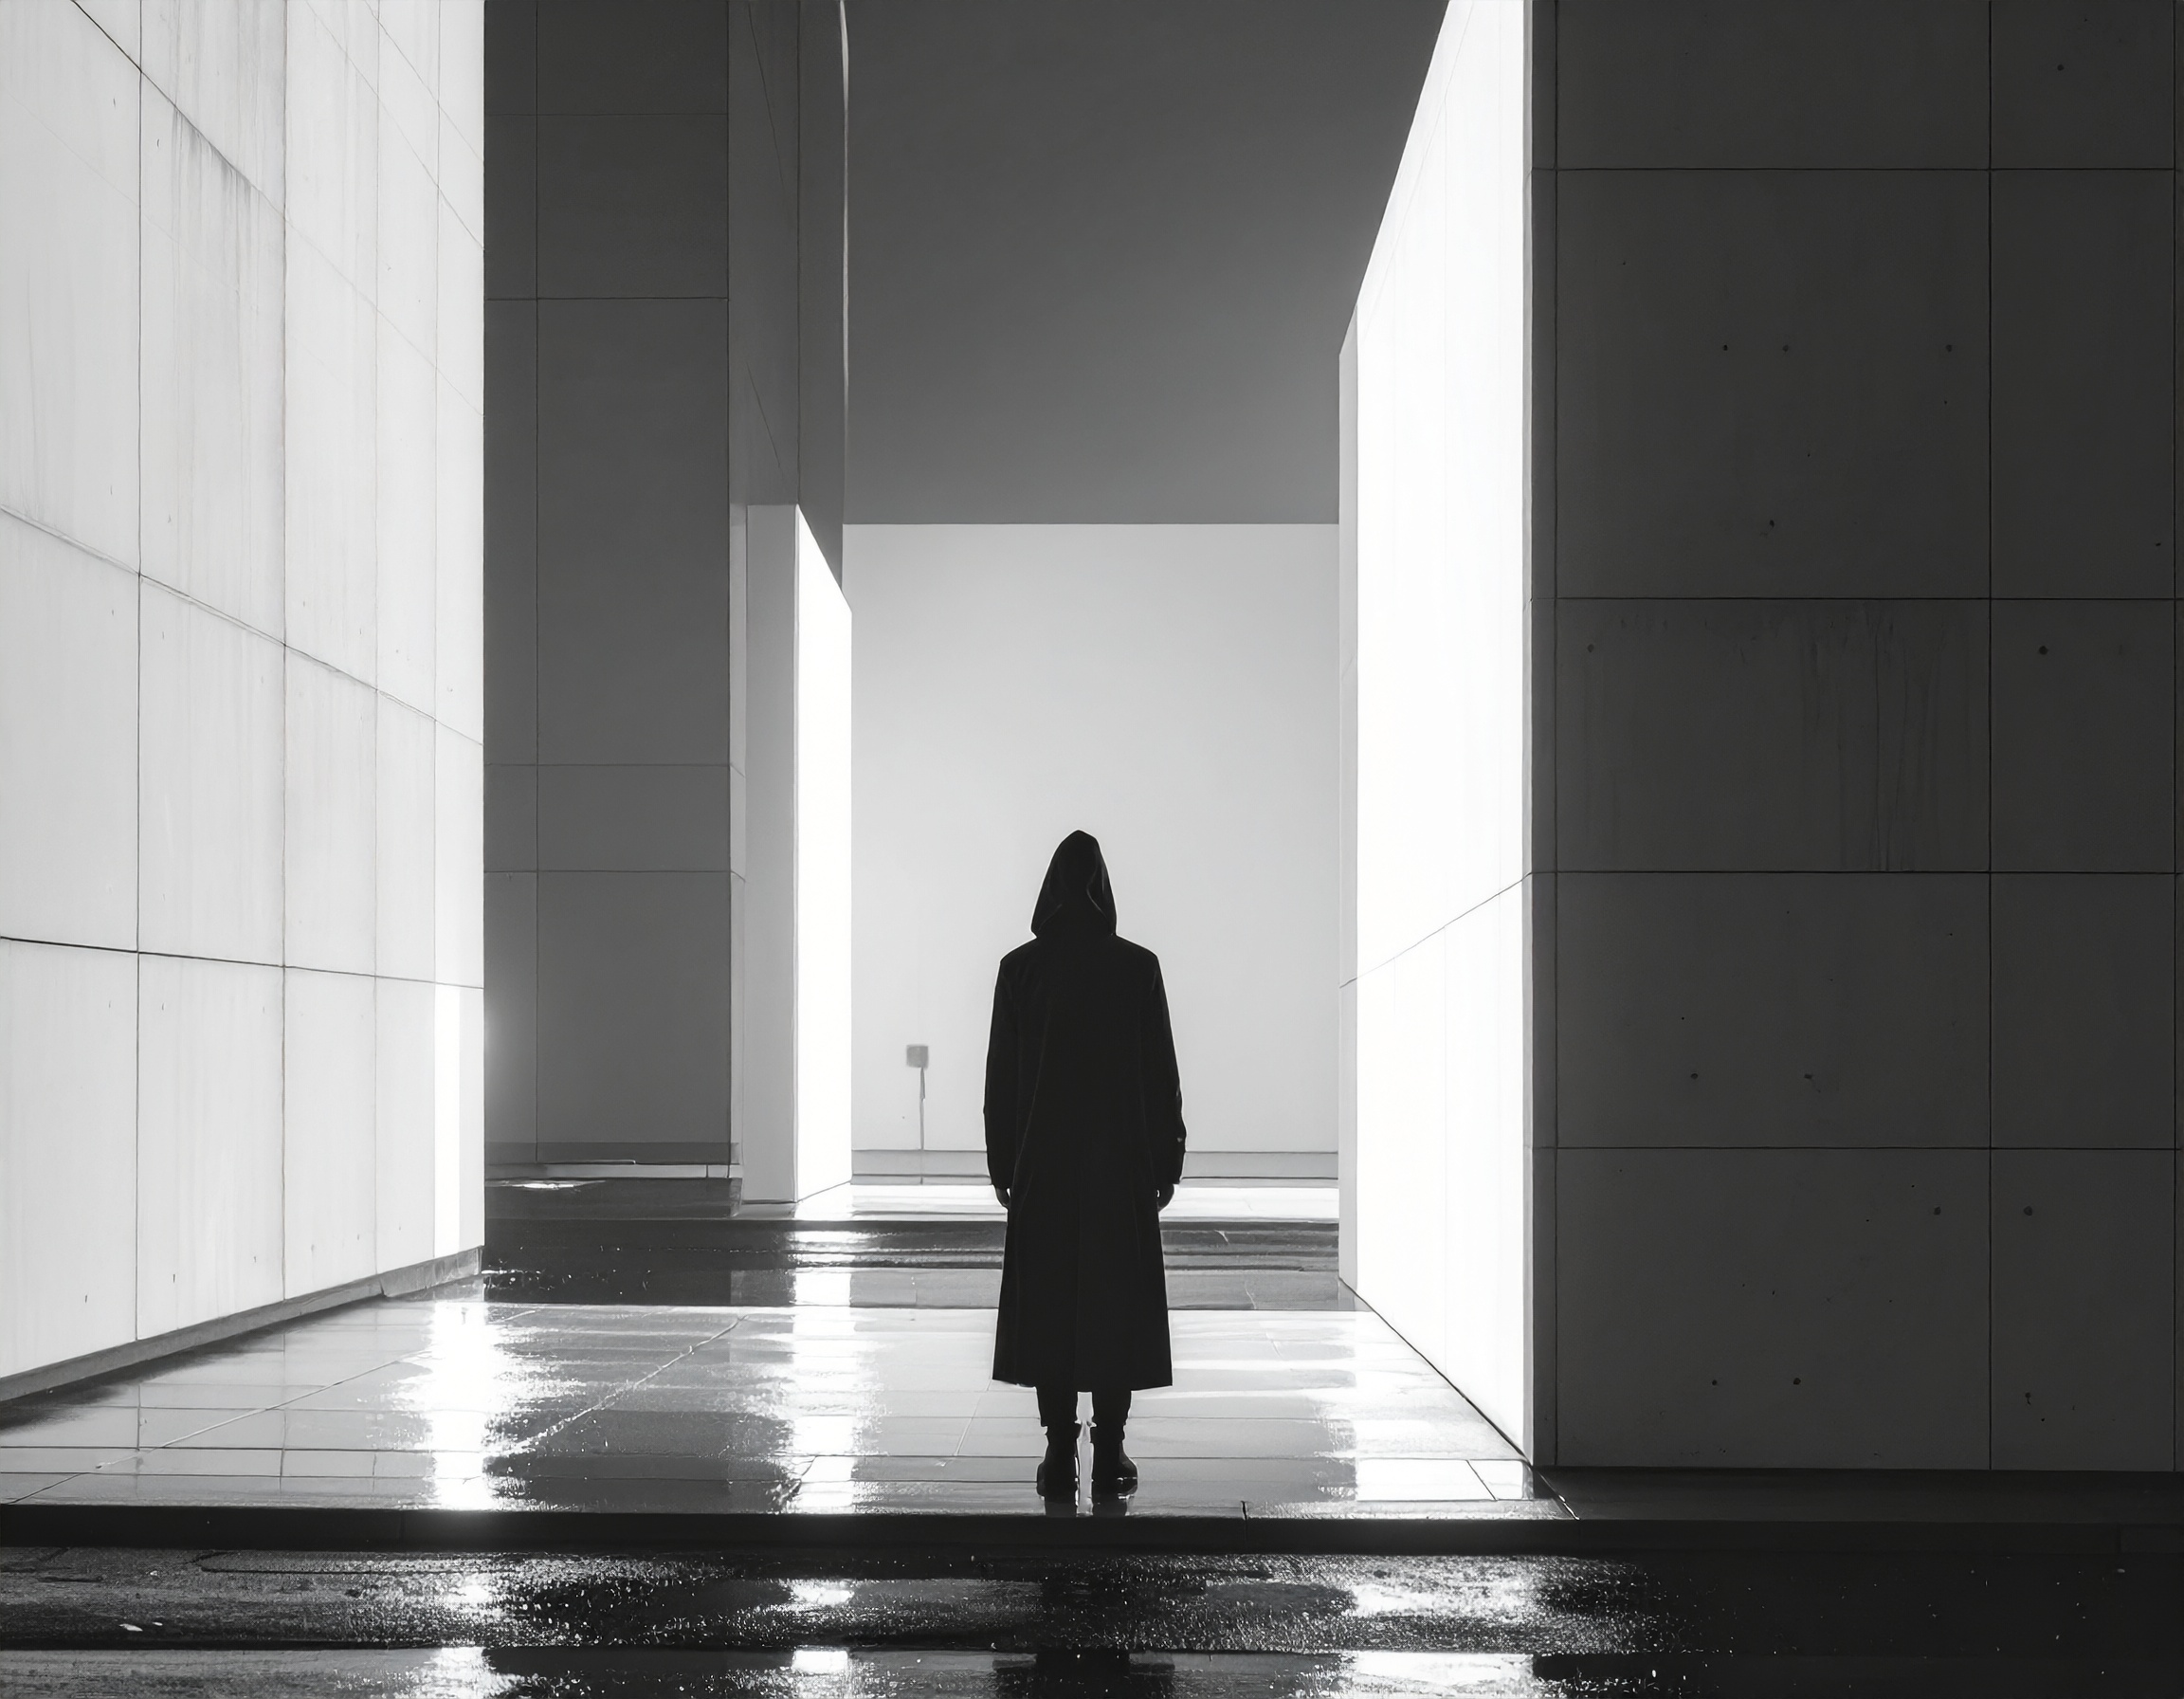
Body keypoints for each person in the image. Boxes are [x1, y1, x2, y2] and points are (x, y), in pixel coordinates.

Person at [984, 831, 1187, 1501]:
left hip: (1044, 1163)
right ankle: (1113, 1446)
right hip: (1118, 1163)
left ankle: (1055, 1450)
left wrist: (1003, 1163)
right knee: (1113, 1303)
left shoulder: (1021, 971)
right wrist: (1167, 1158)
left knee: (1050, 1304)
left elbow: (1003, 1081)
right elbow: (1160, 1073)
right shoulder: (1137, 968)